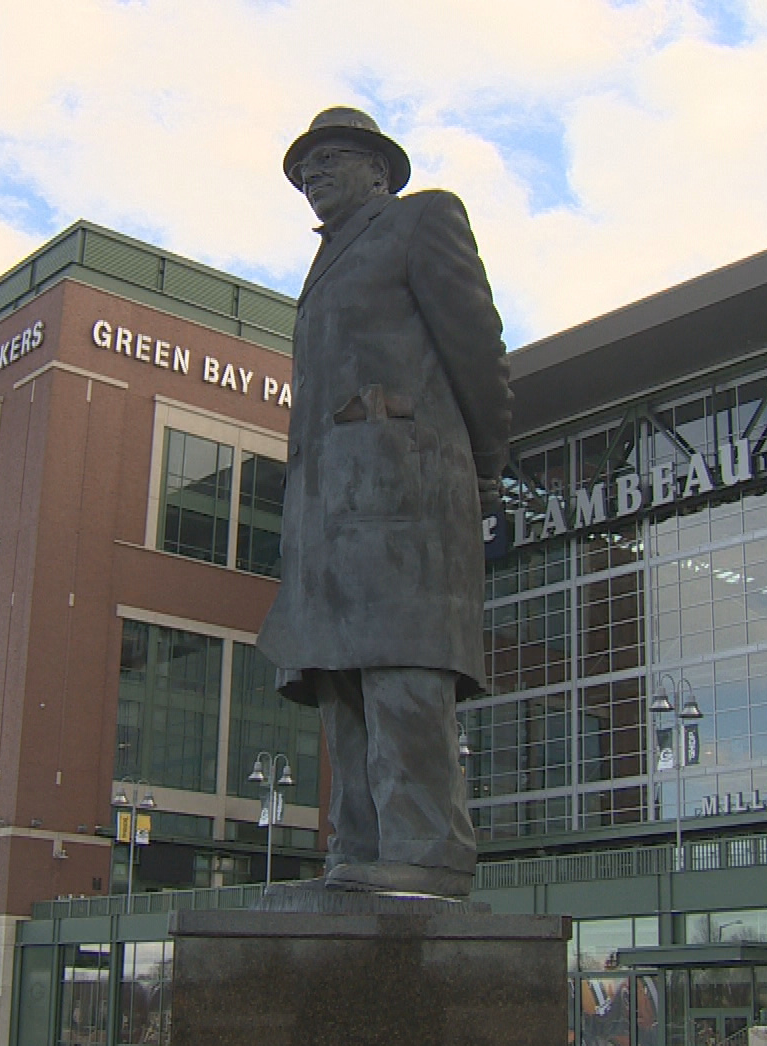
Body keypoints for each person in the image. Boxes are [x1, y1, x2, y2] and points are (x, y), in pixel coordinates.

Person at [257, 106, 510, 898]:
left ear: (379, 170)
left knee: (405, 673)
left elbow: (477, 345)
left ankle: (428, 853)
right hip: (329, 511)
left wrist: (484, 466)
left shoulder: (422, 219)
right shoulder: (322, 267)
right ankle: (359, 851)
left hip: (406, 491)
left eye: (329, 159)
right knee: (341, 680)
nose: (313, 176)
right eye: (304, 169)